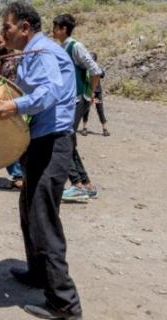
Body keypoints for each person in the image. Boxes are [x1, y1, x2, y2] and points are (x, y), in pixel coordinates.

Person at [0, 2, 82, 320]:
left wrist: (14, 108)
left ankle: (65, 303)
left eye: (7, 27)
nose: (4, 32)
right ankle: (39, 274)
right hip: (39, 141)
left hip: (53, 142)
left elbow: (51, 91)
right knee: (29, 209)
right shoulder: (30, 53)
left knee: (43, 219)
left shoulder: (44, 52)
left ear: (25, 27)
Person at [52, 14, 102, 203]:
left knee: (64, 139)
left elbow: (96, 70)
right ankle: (86, 184)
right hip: (68, 101)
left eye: (55, 27)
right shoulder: (62, 47)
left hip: (77, 100)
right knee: (69, 142)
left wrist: (90, 95)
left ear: (63, 29)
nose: (53, 30)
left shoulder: (75, 47)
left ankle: (77, 185)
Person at [0, 32, 24, 190]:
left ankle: (19, 176)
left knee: (8, 140)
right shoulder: (2, 60)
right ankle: (18, 175)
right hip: (5, 104)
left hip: (13, 104)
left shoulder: (15, 60)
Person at [80, 52, 109, 137]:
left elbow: (102, 74)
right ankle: (84, 128)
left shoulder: (96, 68)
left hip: (97, 92)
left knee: (100, 110)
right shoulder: (85, 68)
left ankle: (104, 129)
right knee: (86, 110)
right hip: (88, 92)